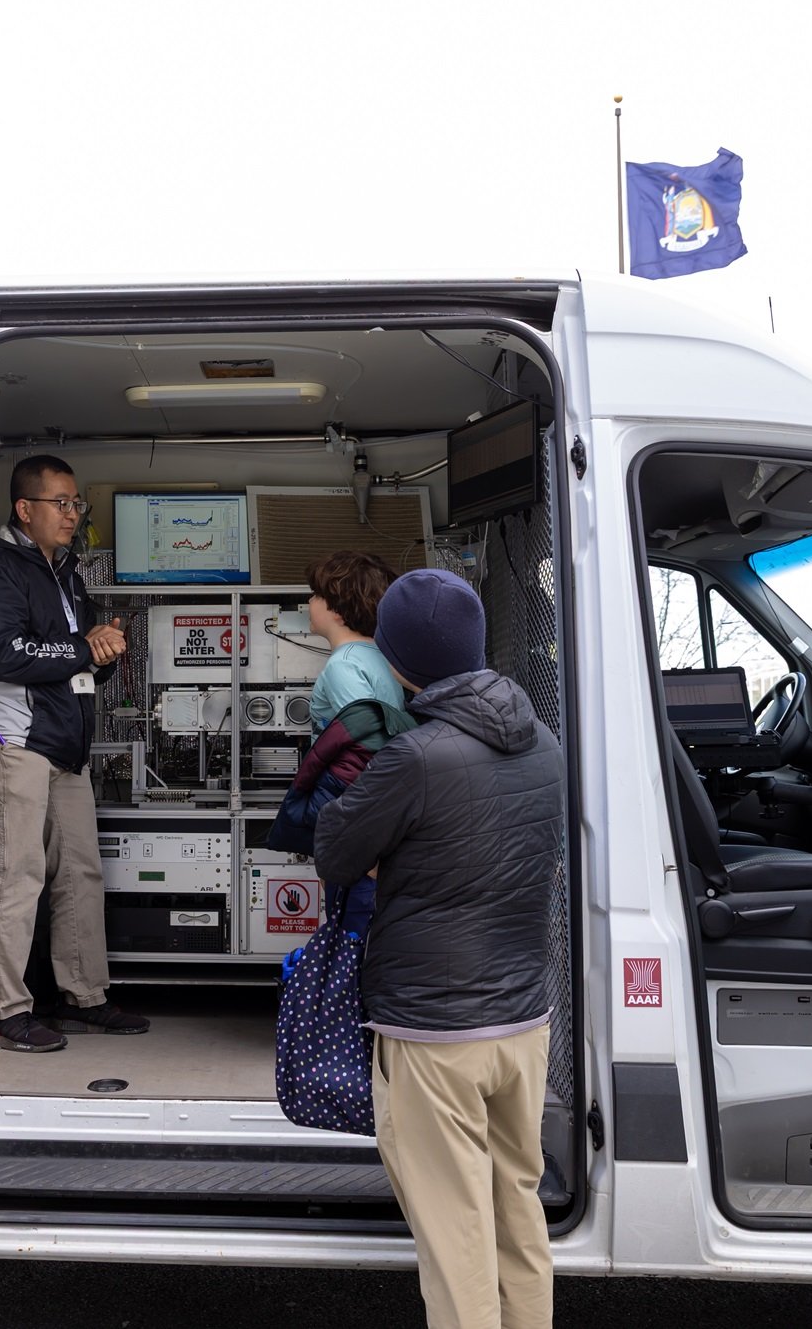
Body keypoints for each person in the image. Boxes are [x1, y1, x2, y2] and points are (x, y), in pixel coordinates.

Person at [314, 569, 565, 1329]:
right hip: (522, 1022)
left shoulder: (415, 756)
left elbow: (333, 850)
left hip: (434, 1031)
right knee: (514, 1209)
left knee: (454, 1232)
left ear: (397, 660)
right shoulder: (544, 740)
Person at [0, 455, 150, 1052]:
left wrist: (103, 647)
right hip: (14, 739)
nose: (73, 514)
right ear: (25, 510)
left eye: (78, 504)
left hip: (65, 741)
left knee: (80, 872)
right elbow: (7, 656)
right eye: (61, 503)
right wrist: (83, 647)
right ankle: (3, 1009)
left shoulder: (66, 569)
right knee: (16, 876)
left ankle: (84, 996)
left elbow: (77, 651)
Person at [266, 550, 415, 936]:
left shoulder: (344, 666)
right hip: (375, 826)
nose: (309, 602)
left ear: (336, 607)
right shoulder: (379, 658)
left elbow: (363, 750)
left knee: (350, 935)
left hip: (357, 835)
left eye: (315, 594)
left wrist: (361, 848)